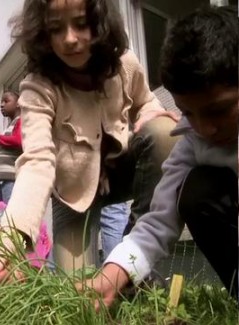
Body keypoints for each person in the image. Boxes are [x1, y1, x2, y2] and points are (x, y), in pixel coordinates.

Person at [0, 0, 180, 281]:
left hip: (119, 173)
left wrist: (149, 114)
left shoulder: (124, 64)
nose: (69, 39)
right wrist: (12, 235)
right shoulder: (38, 89)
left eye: (81, 24)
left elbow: (146, 102)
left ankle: (134, 253)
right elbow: (37, 162)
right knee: (73, 292)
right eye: (56, 28)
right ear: (42, 32)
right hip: (72, 196)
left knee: (163, 132)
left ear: (100, 23)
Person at [78, 6, 239, 308]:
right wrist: (115, 271)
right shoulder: (193, 141)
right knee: (193, 191)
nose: (205, 128)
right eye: (189, 113)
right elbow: (159, 218)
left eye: (219, 110)